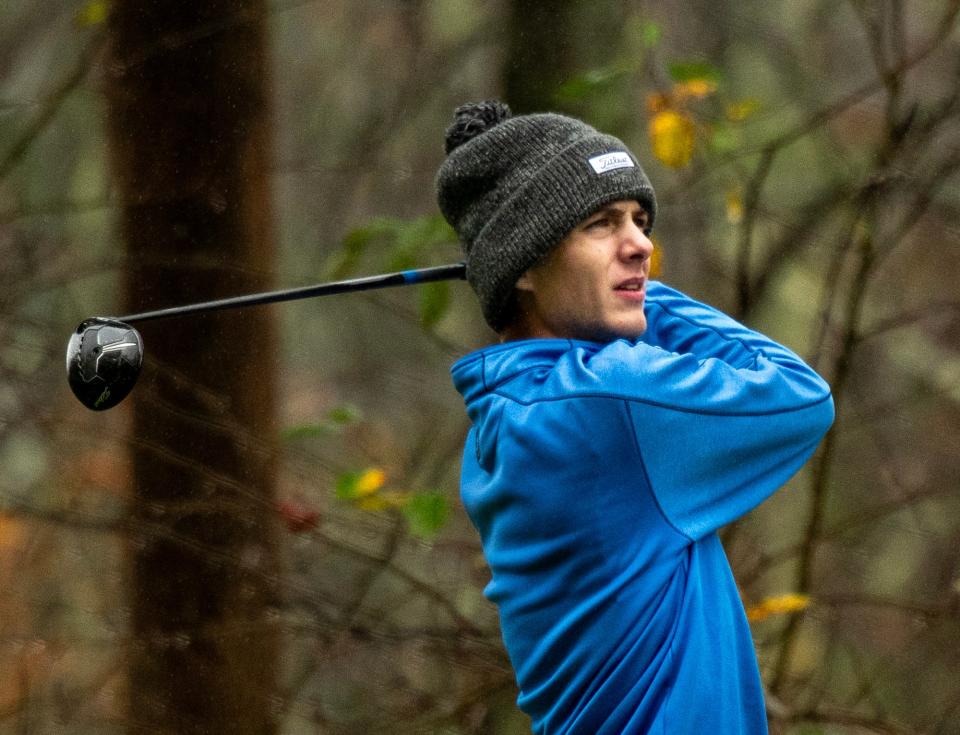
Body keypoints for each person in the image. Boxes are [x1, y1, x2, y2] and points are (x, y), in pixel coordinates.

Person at [435, 100, 835, 734]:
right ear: (526, 268)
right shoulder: (609, 405)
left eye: (640, 221)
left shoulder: (503, 415)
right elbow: (798, 396)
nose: (642, 245)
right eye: (601, 224)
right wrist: (650, 299)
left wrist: (613, 283)